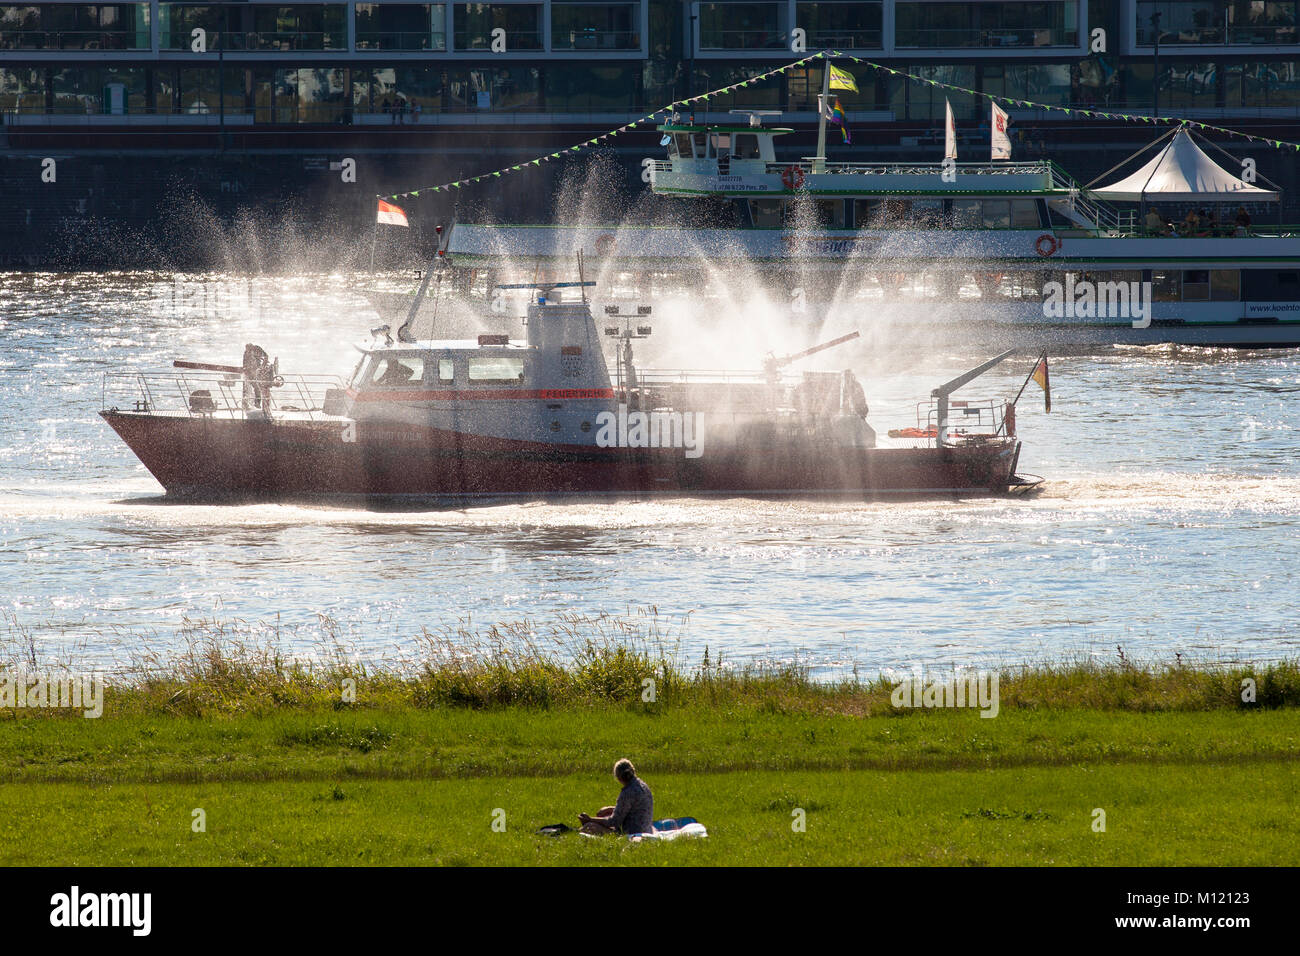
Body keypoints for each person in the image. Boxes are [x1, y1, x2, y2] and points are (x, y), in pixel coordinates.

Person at [579, 759, 653, 836]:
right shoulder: (643, 785)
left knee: (589, 826)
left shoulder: (627, 792)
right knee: (605, 813)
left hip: (632, 832)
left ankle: (575, 831)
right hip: (646, 829)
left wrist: (590, 819)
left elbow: (613, 822)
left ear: (618, 777)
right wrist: (610, 808)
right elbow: (634, 808)